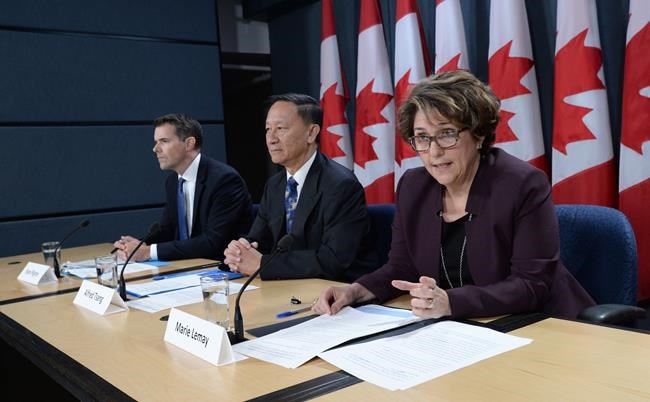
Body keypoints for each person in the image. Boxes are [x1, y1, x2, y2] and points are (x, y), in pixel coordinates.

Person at [313, 71, 595, 319]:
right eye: (422, 137)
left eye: (447, 133)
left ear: (479, 134)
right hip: (462, 328)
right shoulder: (413, 186)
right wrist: (355, 291)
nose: (434, 151)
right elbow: (402, 267)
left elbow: (532, 285)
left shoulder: (522, 184)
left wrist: (451, 303)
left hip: (541, 325)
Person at [223, 93, 376, 282]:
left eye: (280, 128)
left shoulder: (341, 186)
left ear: (311, 133)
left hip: (334, 288)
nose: (271, 139)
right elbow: (259, 239)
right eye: (268, 129)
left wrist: (262, 264)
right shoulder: (275, 185)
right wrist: (241, 250)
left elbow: (332, 260)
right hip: (287, 285)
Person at [113, 113, 252, 261]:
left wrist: (148, 252)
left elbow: (213, 242)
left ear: (189, 144)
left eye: (164, 141)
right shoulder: (173, 181)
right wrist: (139, 245)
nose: (155, 149)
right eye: (156, 142)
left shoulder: (224, 180)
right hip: (189, 265)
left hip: (222, 266)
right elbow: (168, 231)